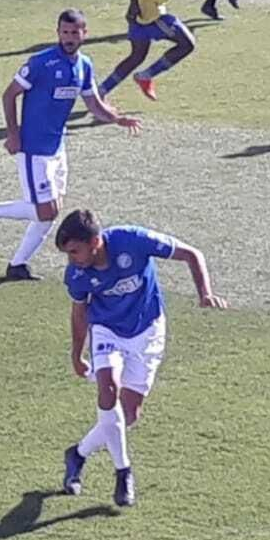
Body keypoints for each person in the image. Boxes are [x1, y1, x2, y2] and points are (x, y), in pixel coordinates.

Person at [55, 209, 226, 508]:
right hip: (107, 330)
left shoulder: (132, 240)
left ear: (95, 242)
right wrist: (76, 353)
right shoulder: (77, 275)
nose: (71, 260)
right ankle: (124, 473)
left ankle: (78, 453)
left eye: (74, 251)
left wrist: (205, 294)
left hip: (148, 331)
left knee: (129, 415)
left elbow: (191, 254)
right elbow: (79, 313)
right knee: (108, 389)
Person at [0, 9, 142, 281]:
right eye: (65, 32)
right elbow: (9, 95)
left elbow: (93, 103)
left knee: (51, 212)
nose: (69, 38)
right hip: (33, 148)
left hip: (57, 147)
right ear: (58, 33)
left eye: (74, 32)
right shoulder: (41, 63)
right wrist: (13, 134)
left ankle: (17, 265)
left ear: (84, 34)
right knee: (45, 211)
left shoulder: (84, 65)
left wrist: (117, 119)